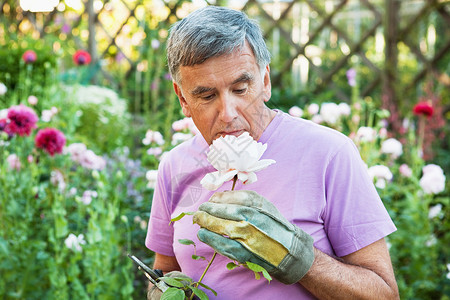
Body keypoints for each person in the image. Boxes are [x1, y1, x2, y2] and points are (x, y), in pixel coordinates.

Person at [145, 5, 399, 299]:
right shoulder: (175, 165)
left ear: (264, 81)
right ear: (183, 99)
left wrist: (301, 260)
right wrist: (162, 292)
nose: (228, 114)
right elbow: (162, 273)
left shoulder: (329, 153)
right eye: (206, 95)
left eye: (240, 89)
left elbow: (384, 295)